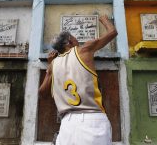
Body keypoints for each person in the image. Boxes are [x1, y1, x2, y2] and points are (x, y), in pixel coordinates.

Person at [39, 15, 117, 145]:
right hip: (93, 120)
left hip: (67, 124)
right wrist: (104, 20)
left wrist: (49, 69)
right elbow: (113, 33)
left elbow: (42, 94)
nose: (77, 39)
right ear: (70, 41)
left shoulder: (53, 64)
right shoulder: (84, 49)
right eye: (75, 37)